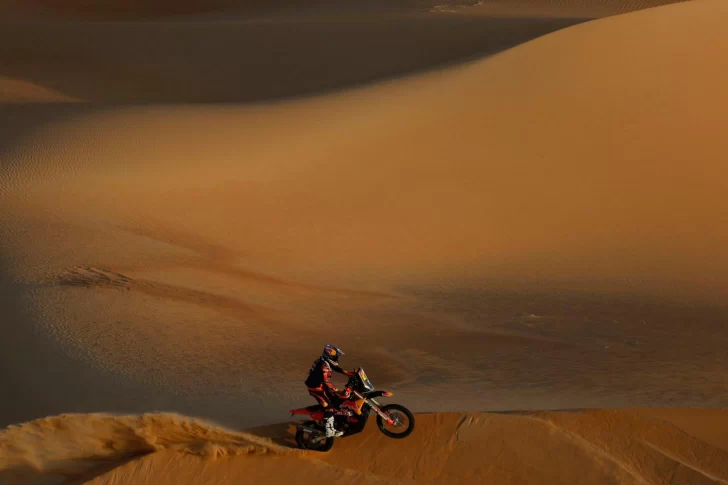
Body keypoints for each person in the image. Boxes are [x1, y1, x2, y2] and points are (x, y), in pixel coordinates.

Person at [304, 344, 356, 438]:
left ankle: (336, 421)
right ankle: (329, 430)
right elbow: (326, 383)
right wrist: (339, 391)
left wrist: (348, 373)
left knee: (337, 401)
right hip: (316, 389)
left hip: (320, 386)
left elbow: (335, 368)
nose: (337, 359)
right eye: (335, 357)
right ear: (329, 356)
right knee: (329, 406)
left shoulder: (325, 362)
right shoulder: (324, 366)